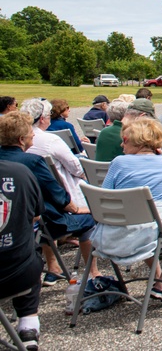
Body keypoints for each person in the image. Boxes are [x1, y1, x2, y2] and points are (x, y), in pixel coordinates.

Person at [92, 117, 162, 305]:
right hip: (148, 234)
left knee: (153, 226)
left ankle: (159, 281)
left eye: (124, 140)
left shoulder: (119, 162)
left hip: (111, 234)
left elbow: (105, 194)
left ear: (134, 141)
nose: (121, 144)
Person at [0, 112, 99, 286]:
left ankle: (54, 267)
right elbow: (56, 194)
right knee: (89, 219)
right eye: (31, 132)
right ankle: (93, 272)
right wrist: (76, 208)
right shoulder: (31, 161)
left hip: (11, 222)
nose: (33, 134)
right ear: (21, 139)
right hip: (36, 220)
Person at [0, 157, 44, 350]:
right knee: (29, 246)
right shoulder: (20, 171)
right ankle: (28, 326)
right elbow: (36, 214)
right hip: (18, 273)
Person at [21, 99, 86, 208]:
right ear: (42, 119)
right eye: (49, 115)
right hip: (60, 193)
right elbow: (77, 169)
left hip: (33, 190)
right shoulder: (51, 140)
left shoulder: (18, 139)